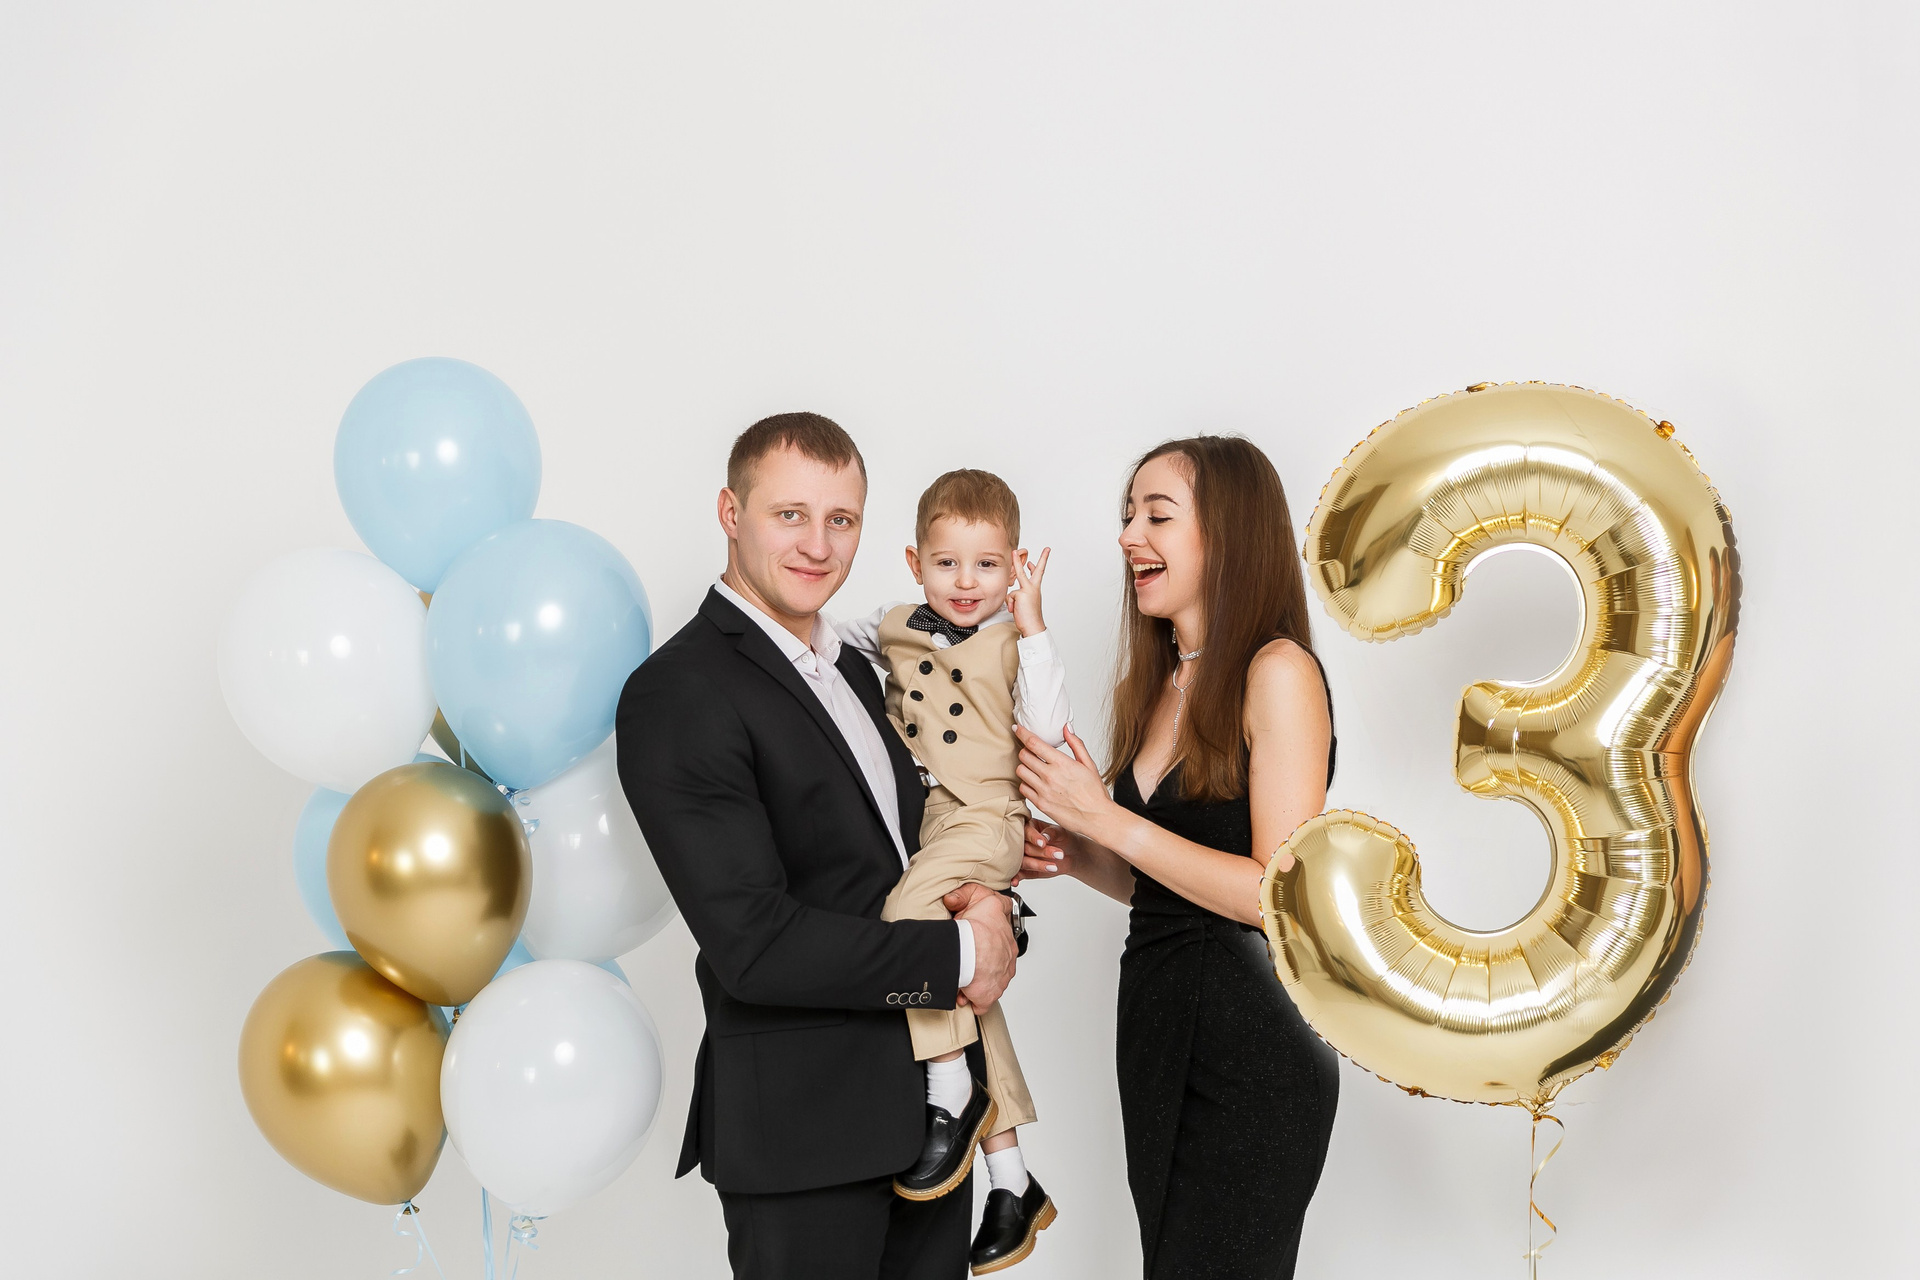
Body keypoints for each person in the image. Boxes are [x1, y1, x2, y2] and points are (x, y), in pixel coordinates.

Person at [615, 413, 1020, 1280]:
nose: (818, 545)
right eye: (790, 515)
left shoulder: (858, 670)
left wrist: (994, 899)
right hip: (802, 1139)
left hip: (930, 1130)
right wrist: (959, 953)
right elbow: (754, 944)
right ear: (731, 513)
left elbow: (907, 857)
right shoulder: (679, 691)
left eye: (841, 520)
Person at [1012, 435, 1340, 1279]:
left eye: (1157, 516)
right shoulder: (1160, 684)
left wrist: (1108, 820)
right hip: (1158, 1026)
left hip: (1254, 1047)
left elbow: (1272, 895)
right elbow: (1165, 887)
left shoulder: (1278, 671)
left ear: (1230, 534)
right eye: (1128, 516)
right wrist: (1077, 851)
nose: (1129, 536)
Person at [831, 469, 1068, 1273]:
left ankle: (949, 1091)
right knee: (963, 983)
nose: (966, 583)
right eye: (946, 564)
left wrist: (1032, 624)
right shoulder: (891, 626)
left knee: (907, 925)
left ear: (1014, 566)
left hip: (989, 820)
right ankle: (1012, 1180)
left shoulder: (1015, 644)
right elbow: (821, 647)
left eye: (988, 566)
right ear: (915, 562)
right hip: (932, 825)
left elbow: (1049, 728)